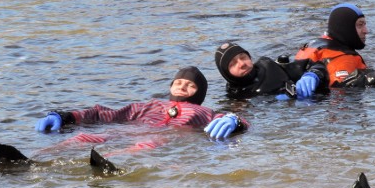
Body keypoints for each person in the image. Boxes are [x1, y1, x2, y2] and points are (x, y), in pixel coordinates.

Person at [35, 66, 248, 142]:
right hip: (129, 132)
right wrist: (66, 117)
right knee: (84, 137)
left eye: (190, 85)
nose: (183, 86)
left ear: (199, 93)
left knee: (147, 145)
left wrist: (235, 120)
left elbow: (229, 119)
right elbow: (106, 114)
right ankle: (37, 160)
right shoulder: (150, 105)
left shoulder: (203, 111)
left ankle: (113, 159)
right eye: (179, 82)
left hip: (163, 139)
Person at [214, 42, 329, 99]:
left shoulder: (269, 67)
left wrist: (313, 75)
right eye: (233, 64)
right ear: (226, 74)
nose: (242, 64)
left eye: (243, 57)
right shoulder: (237, 98)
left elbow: (314, 64)